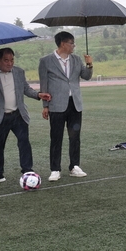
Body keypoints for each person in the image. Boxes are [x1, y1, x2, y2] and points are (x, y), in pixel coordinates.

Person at [0, 47, 51, 184]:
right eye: (6, 60)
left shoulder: (19, 72)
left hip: (18, 114)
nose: (9, 63)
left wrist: (38, 94)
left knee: (24, 142)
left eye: (12, 60)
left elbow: (26, 89)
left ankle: (27, 171)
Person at [38, 31, 93, 181]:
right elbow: (44, 84)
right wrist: (45, 105)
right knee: (56, 137)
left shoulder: (76, 59)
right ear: (63, 43)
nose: (74, 46)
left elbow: (86, 77)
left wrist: (89, 63)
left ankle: (74, 166)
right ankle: (55, 169)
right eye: (71, 43)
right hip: (56, 105)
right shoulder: (46, 61)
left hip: (74, 104)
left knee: (75, 137)